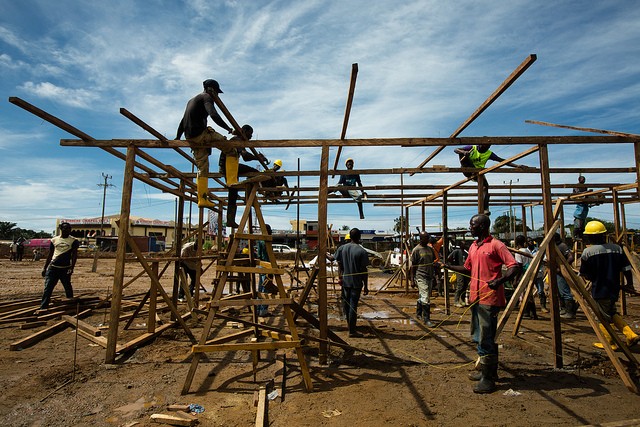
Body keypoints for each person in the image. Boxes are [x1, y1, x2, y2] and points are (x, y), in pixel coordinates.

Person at [444, 214, 520, 394]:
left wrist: (500, 281)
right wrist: (448, 266)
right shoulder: (473, 246)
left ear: (483, 226)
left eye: (473, 225)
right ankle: (489, 372)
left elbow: (514, 266)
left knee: (485, 337)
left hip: (490, 299)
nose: (470, 227)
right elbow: (467, 268)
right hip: (475, 298)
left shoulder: (496, 245)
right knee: (479, 335)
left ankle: (488, 379)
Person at [176, 79, 236, 209]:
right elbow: (213, 114)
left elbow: (182, 121)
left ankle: (202, 199)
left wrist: (178, 137)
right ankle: (232, 181)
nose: (217, 96)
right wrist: (228, 129)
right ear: (211, 89)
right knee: (231, 149)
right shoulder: (207, 97)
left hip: (191, 138)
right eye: (217, 92)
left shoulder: (191, 100)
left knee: (202, 167)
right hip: (201, 135)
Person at [580, 220, 639, 350]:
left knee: (602, 317)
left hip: (600, 289)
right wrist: (629, 284)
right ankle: (631, 334)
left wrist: (593, 277)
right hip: (614, 288)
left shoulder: (587, 252)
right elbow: (626, 268)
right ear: (604, 234)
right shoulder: (616, 249)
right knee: (611, 312)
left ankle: (610, 343)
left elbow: (585, 274)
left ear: (589, 236)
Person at [454, 144, 528, 216]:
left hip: (478, 172)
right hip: (467, 169)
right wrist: (464, 152)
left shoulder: (489, 153)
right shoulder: (472, 148)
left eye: (488, 147)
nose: (486, 149)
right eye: (484, 147)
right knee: (462, 153)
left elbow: (501, 160)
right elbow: (456, 149)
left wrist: (516, 166)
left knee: (485, 187)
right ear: (480, 145)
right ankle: (470, 166)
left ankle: (485, 208)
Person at [218, 124, 267, 227]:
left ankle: (249, 194)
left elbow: (245, 157)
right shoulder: (237, 140)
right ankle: (231, 219)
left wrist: (257, 157)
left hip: (232, 165)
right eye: (250, 134)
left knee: (251, 173)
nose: (251, 137)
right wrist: (258, 158)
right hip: (228, 167)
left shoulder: (238, 140)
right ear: (244, 131)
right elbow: (245, 156)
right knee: (233, 190)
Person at [333, 228, 370, 337]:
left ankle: (350, 326)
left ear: (350, 236)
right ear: (359, 237)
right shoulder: (362, 251)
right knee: (353, 306)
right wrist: (366, 286)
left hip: (345, 283)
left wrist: (323, 252)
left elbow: (332, 259)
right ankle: (352, 331)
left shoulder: (342, 248)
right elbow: (364, 271)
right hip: (356, 284)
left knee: (347, 305)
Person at [38, 222, 79, 311]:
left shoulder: (74, 241)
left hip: (65, 269)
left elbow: (74, 256)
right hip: (53, 268)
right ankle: (43, 307)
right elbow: (50, 254)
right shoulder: (54, 240)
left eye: (69, 228)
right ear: (61, 229)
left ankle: (71, 305)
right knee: (48, 288)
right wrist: (45, 268)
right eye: (65, 228)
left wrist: (72, 268)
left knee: (67, 287)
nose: (67, 230)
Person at [410, 232, 436, 327]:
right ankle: (426, 319)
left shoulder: (430, 249)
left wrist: (434, 276)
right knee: (425, 297)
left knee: (424, 295)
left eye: (428, 237)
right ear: (421, 239)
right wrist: (412, 280)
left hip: (429, 276)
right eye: (425, 238)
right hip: (421, 276)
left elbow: (432, 262)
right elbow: (413, 266)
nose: (428, 239)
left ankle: (418, 313)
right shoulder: (416, 250)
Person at [553, 233, 577, 319]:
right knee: (559, 292)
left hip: (561, 272)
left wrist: (563, 266)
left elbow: (571, 257)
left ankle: (570, 312)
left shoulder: (562, 246)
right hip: (556, 272)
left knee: (565, 292)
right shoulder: (554, 247)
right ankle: (563, 309)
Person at [514, 235, 536, 319]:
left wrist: (516, 279)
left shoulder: (519, 252)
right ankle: (533, 313)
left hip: (523, 274)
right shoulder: (528, 251)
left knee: (523, 294)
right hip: (529, 273)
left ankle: (527, 312)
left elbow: (519, 266)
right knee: (529, 293)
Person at [256, 224, 274, 317]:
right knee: (266, 287)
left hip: (261, 265)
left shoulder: (260, 240)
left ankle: (258, 309)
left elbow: (258, 254)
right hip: (268, 266)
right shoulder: (267, 240)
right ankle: (263, 311)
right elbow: (270, 255)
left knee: (260, 287)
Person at [528, 237, 548, 313]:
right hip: (529, 274)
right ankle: (530, 308)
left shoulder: (538, 251)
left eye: (531, 241)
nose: (530, 242)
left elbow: (545, 260)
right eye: (528, 241)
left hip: (538, 273)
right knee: (528, 292)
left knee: (540, 291)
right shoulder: (526, 251)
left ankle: (543, 306)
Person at [447, 241, 469, 308]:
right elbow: (449, 258)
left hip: (465, 271)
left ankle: (462, 300)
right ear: (460, 245)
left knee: (465, 286)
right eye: (463, 244)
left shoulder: (466, 253)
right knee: (460, 285)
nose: (464, 245)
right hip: (459, 270)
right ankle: (456, 301)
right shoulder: (456, 251)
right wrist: (453, 265)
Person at [572, 175, 590, 240]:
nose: (584, 180)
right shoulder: (577, 186)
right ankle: (574, 236)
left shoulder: (585, 186)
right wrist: (586, 193)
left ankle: (580, 236)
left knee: (582, 227)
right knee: (577, 226)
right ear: (579, 179)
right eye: (583, 179)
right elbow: (578, 193)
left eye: (584, 179)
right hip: (579, 200)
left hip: (583, 211)